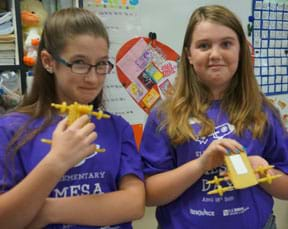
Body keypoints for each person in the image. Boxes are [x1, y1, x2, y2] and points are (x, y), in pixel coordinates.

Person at [140, 5, 288, 229]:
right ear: (189, 55)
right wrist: (202, 164)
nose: (215, 54)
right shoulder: (164, 114)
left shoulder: (263, 111)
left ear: (241, 51)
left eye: (226, 44)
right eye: (204, 45)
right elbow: (150, 195)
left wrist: (263, 173)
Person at [0, 8, 145, 229]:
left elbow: (133, 204)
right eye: (79, 63)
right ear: (48, 61)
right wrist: (56, 162)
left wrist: (47, 210)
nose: (93, 78)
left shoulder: (117, 127)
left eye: (102, 64)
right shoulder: (12, 129)